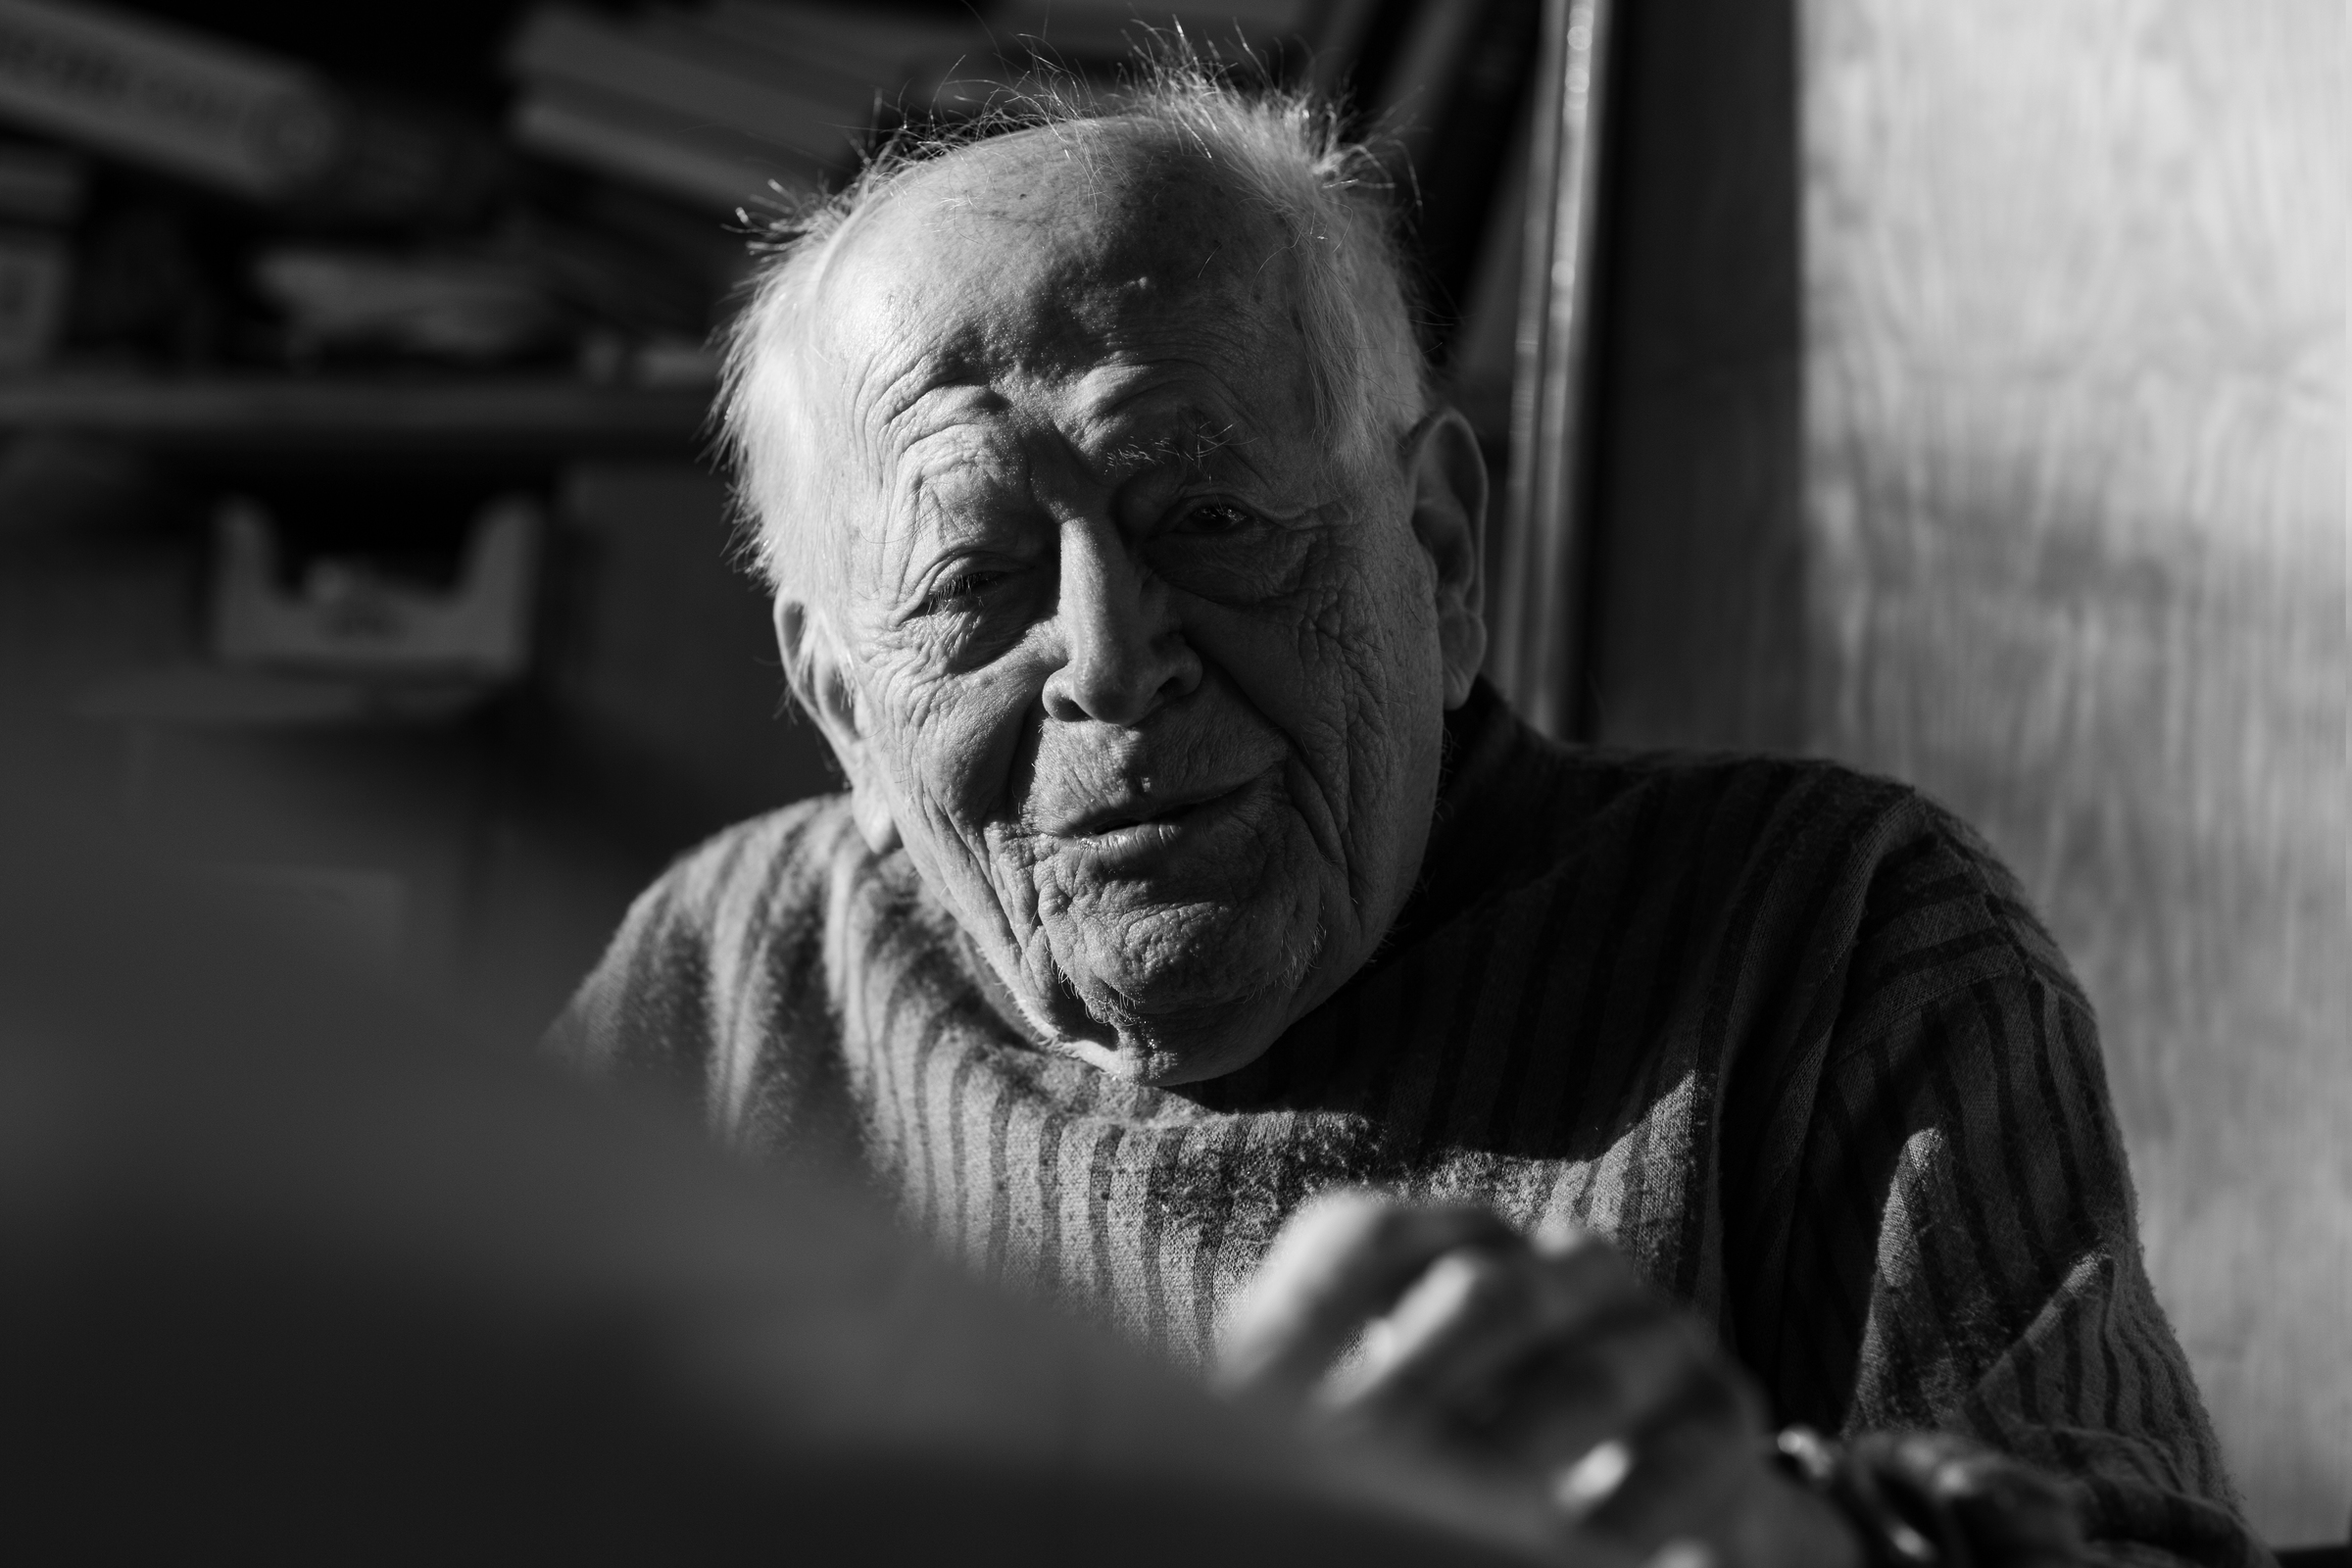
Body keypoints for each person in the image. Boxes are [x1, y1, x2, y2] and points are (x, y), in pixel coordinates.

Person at [550, 63, 2262, 1568]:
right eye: (973, 581)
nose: (1112, 663)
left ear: (1439, 557)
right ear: (845, 707)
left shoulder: (1827, 938)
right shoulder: (736, 982)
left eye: (1211, 519)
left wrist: (1760, 1539)